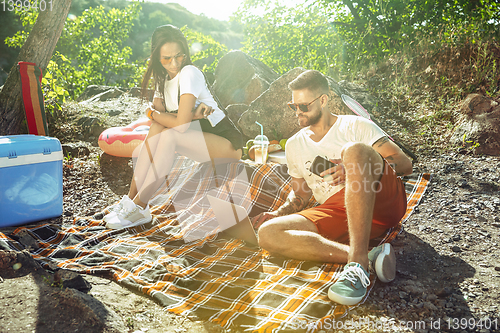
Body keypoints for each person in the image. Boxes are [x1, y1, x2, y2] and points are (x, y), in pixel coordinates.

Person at [252, 70, 413, 306]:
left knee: (354, 150)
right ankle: (368, 257)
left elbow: (404, 164)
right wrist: (278, 213)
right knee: (268, 233)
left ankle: (356, 266)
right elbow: (301, 193)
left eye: (303, 106)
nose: (297, 112)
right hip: (338, 211)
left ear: (323, 100)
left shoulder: (356, 126)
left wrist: (356, 168)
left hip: (381, 200)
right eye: (292, 106)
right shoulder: (295, 144)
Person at [103, 25, 243, 229]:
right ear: (157, 58)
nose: (174, 63)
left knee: (169, 135)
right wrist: (179, 115)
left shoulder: (189, 73)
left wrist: (152, 113)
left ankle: (141, 207)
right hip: (200, 142)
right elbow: (161, 121)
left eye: (179, 56)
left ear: (185, 54)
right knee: (157, 131)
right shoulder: (163, 79)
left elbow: (179, 126)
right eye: (166, 58)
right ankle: (131, 201)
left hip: (226, 144)